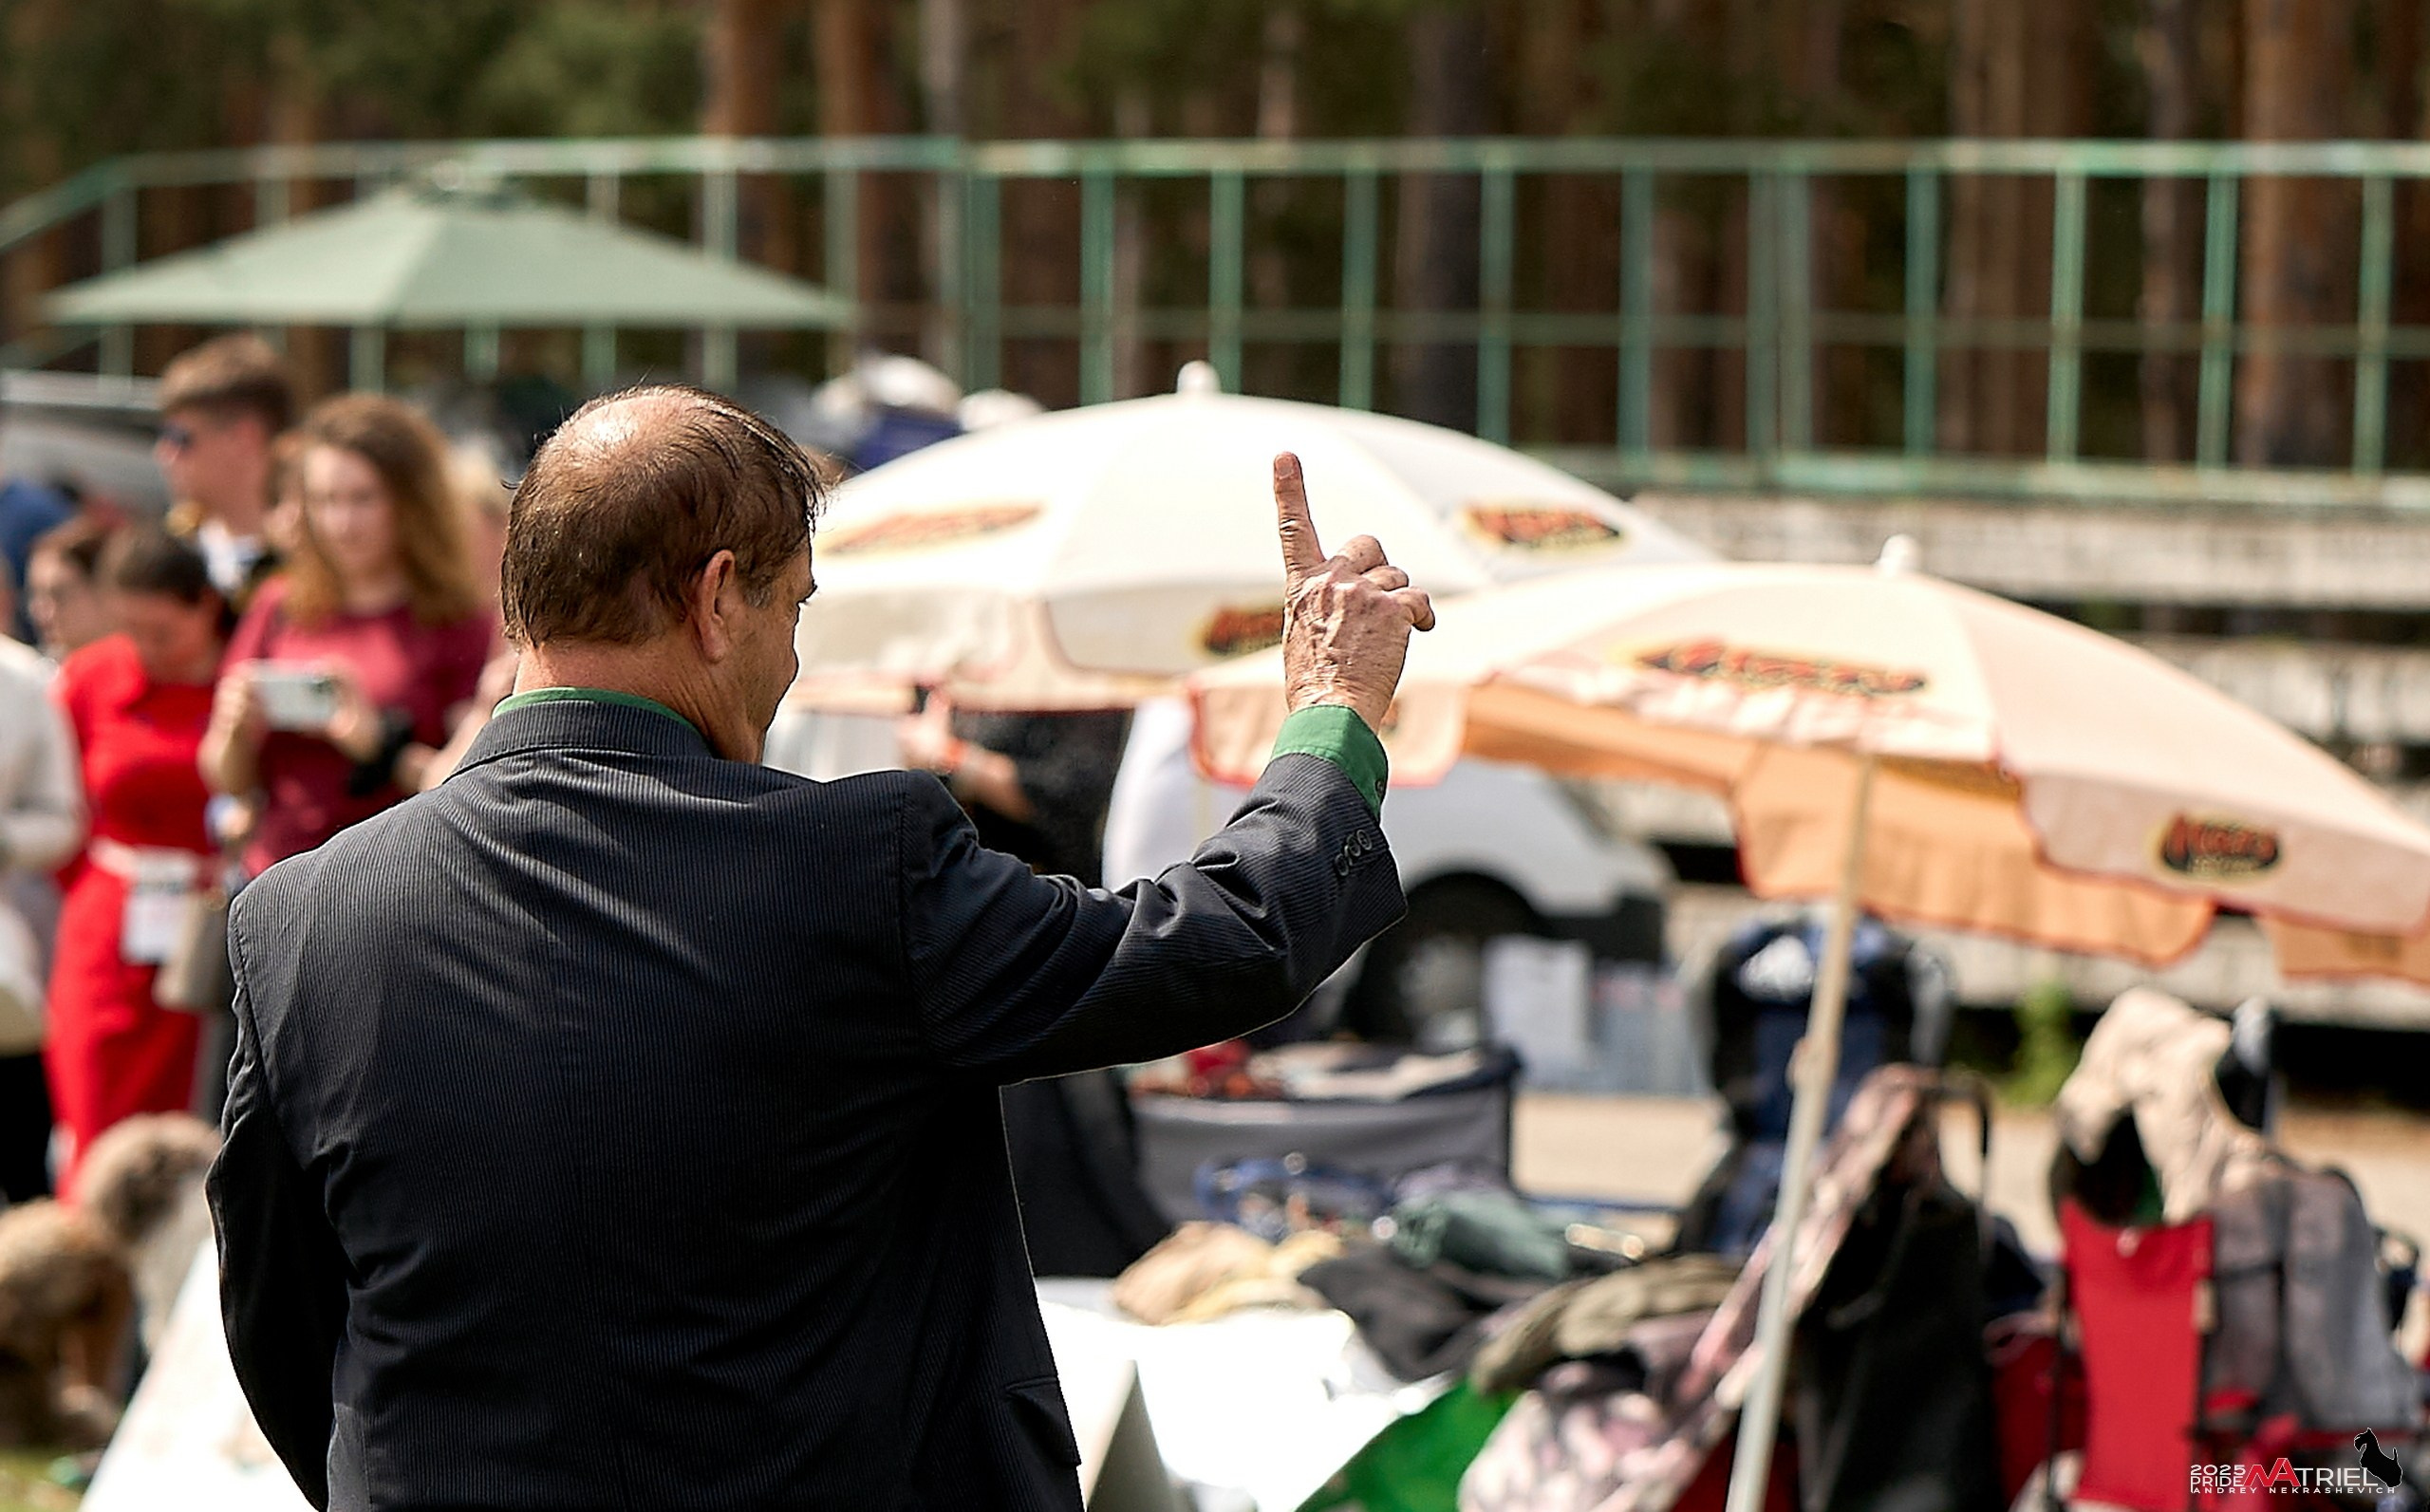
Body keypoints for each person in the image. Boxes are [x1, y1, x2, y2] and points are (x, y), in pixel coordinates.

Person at [208, 385, 1431, 1510]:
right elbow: (1217, 943)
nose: (793, 663)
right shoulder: (857, 866)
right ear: (716, 596)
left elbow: (280, 1327)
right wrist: (1332, 718)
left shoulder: (298, 918)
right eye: (794, 610)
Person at [198, 395, 490, 878]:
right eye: (325, 501)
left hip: (390, 885)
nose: (341, 524)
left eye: (362, 499)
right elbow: (225, 777)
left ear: (410, 502)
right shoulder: (278, 604)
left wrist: (379, 743)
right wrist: (234, 732)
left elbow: (471, 789)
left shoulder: (457, 621)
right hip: (272, 880)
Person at [44, 531, 227, 1191]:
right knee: (95, 1129)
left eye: (162, 631)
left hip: (210, 926)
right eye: (131, 629)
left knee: (197, 1129)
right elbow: (54, 805)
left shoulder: (245, 675)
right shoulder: (93, 677)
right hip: (109, 929)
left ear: (205, 606)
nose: (145, 649)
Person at [0, 572, 84, 1203]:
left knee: (23, 1155)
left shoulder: (27, 682)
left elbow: (63, 818)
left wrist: (4, 842)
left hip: (8, 958)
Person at [154, 334, 293, 606]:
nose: (163, 453)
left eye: (180, 438)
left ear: (244, 439)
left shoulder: (309, 563)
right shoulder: (168, 547)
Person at [25, 516, 115, 663]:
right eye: (35, 594)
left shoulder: (148, 673)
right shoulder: (34, 673)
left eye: (59, 595)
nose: (39, 611)